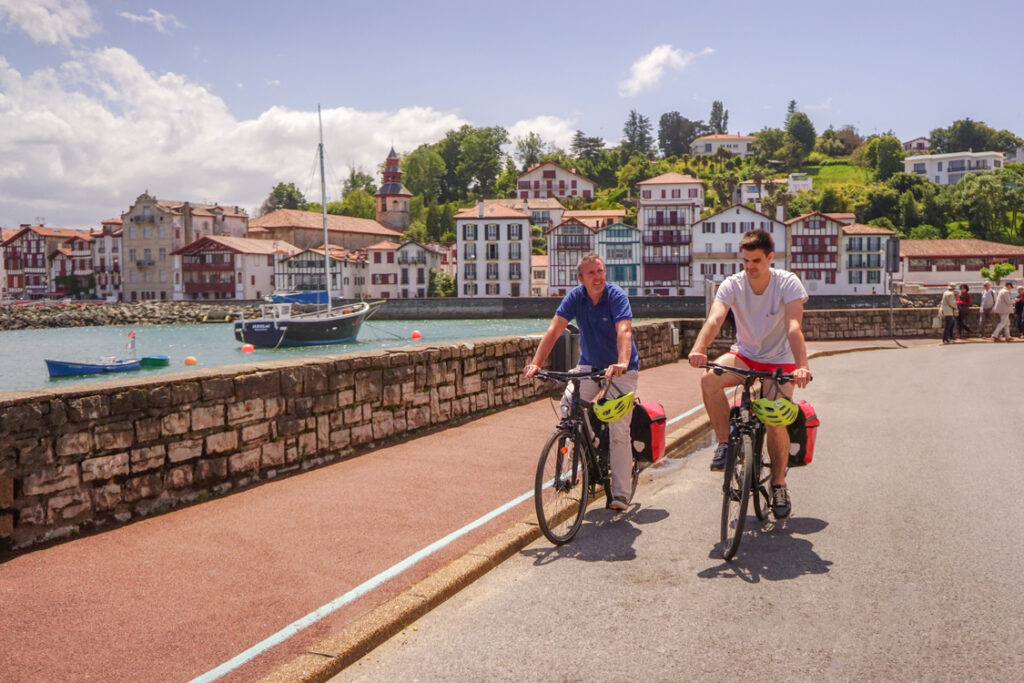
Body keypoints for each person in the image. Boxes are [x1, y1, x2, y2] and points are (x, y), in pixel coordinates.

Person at [687, 229, 812, 519]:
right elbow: (716, 318)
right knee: (709, 380)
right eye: (745, 260)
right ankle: (723, 445)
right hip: (744, 355)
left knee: (774, 419)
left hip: (780, 361)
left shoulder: (787, 283)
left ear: (770, 258)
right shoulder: (733, 284)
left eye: (756, 260)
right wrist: (699, 347)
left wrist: (802, 365)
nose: (750, 266)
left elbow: (794, 326)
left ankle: (779, 484)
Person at [524, 253, 640, 512]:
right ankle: (592, 445)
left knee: (619, 431)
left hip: (622, 369)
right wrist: (536, 363)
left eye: (600, 271)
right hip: (589, 366)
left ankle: (621, 493)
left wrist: (621, 362)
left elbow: (624, 330)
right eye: (592, 273)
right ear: (581, 279)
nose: (598, 277)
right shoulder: (576, 297)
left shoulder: (616, 296)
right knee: (568, 404)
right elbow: (555, 328)